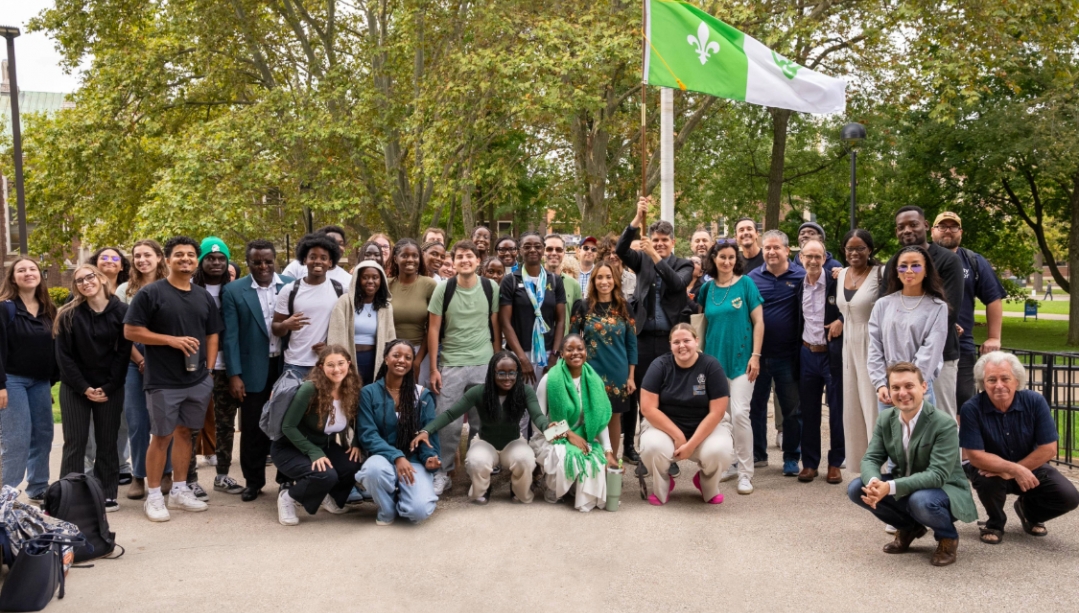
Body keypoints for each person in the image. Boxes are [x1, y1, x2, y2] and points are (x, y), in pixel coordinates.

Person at [124, 236, 223, 522]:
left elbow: (212, 333)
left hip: (197, 380)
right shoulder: (151, 293)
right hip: (163, 381)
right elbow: (131, 331)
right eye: (179, 254)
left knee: (185, 434)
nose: (185, 259)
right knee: (162, 436)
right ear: (167, 260)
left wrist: (209, 371)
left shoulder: (202, 295)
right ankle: (154, 496)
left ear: (196, 261)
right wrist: (171, 341)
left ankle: (179, 490)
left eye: (191, 255)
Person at [847, 362, 976, 567]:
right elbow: (871, 458)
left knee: (920, 500)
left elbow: (937, 475)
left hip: (944, 490)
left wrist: (888, 487)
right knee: (856, 488)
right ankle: (909, 527)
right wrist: (874, 483)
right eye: (895, 388)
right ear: (889, 391)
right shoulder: (886, 418)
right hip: (907, 485)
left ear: (923, 387)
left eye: (909, 386)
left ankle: (947, 537)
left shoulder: (944, 424)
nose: (902, 393)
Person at [960, 352, 1079, 544]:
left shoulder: (1034, 402)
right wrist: (1012, 469)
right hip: (991, 468)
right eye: (991, 379)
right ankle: (995, 523)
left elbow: (1049, 449)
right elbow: (975, 456)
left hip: (1030, 462)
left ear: (1017, 380)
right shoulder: (971, 408)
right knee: (985, 477)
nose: (999, 385)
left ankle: (1029, 512)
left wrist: (1018, 469)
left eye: (1005, 378)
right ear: (983, 383)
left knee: (1069, 496)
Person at [616, 197, 694, 465]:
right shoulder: (641, 262)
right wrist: (637, 219)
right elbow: (620, 249)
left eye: (664, 240)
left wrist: (653, 254)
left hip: (670, 342)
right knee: (635, 391)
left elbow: (676, 286)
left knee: (662, 395)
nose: (660, 243)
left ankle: (660, 446)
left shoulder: (684, 264)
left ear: (673, 242)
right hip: (642, 338)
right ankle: (629, 445)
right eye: (655, 239)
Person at [412, 351, 545, 504]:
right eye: (501, 373)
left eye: (511, 373)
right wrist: (426, 430)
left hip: (513, 442)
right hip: (485, 442)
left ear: (517, 373)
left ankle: (518, 489)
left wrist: (549, 428)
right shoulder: (479, 392)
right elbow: (450, 414)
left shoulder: (525, 391)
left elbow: (537, 416)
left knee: (525, 459)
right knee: (476, 461)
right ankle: (483, 488)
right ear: (492, 373)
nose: (507, 378)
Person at [54, 264, 132, 511]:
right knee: (75, 442)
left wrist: (108, 387)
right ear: (75, 287)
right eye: (79, 280)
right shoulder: (68, 314)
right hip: (75, 387)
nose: (85, 282)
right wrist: (84, 388)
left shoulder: (122, 311)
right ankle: (70, 493)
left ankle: (107, 493)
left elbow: (123, 354)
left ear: (100, 279)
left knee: (107, 441)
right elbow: (64, 357)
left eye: (90, 277)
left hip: (111, 386)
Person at [426, 240, 502, 495]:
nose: (465, 260)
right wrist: (435, 368)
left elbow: (495, 328)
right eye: (459, 257)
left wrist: (496, 361)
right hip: (451, 364)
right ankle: (442, 472)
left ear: (478, 261)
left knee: (483, 423)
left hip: (483, 362)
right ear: (453, 261)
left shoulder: (490, 287)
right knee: (448, 422)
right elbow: (434, 329)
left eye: (469, 256)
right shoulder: (443, 289)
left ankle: (477, 470)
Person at [221, 240, 292, 502]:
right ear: (248, 262)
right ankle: (253, 481)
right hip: (251, 369)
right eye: (257, 262)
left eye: (268, 261)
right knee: (252, 428)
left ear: (276, 260)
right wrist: (234, 374)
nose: (263, 266)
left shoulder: (290, 285)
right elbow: (230, 337)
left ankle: (286, 479)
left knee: (286, 424)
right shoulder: (234, 291)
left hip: (286, 366)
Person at [879, 206, 964, 419]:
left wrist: (919, 363)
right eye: (901, 227)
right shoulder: (893, 263)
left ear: (926, 225)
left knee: (941, 421)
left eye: (913, 224)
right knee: (901, 428)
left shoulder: (948, 260)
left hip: (939, 357)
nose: (907, 230)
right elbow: (883, 309)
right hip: (898, 361)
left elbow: (949, 311)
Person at [639, 324, 735, 506]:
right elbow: (647, 408)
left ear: (696, 341)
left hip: (706, 427)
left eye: (686, 340)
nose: (682, 345)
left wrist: (691, 445)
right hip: (666, 428)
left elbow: (718, 412)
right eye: (676, 342)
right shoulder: (659, 365)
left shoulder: (711, 366)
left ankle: (707, 484)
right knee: (651, 446)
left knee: (720, 450)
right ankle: (662, 487)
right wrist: (678, 435)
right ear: (670, 345)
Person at [698, 239, 763, 495]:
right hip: (714, 363)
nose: (727, 262)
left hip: (743, 361)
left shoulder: (746, 284)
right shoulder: (707, 289)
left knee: (739, 414)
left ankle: (746, 472)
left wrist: (756, 355)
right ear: (713, 259)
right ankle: (728, 463)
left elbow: (759, 322)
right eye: (722, 257)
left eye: (731, 257)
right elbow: (702, 324)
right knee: (720, 418)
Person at [271, 345, 362, 525]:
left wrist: (357, 442)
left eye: (341, 363)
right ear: (321, 367)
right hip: (290, 447)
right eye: (330, 365)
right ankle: (289, 497)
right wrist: (313, 452)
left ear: (349, 364)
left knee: (352, 465)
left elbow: (356, 422)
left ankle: (329, 496)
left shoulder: (351, 389)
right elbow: (288, 427)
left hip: (322, 444)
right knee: (325, 475)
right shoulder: (310, 389)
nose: (336, 369)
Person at [356, 340, 440, 525]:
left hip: (413, 460)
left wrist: (429, 457)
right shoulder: (368, 393)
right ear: (386, 359)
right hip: (383, 459)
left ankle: (403, 495)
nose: (401, 360)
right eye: (396, 355)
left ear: (412, 363)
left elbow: (429, 432)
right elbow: (368, 434)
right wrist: (396, 456)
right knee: (372, 470)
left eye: (407, 357)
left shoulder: (422, 395)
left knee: (418, 512)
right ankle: (387, 510)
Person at [930, 212, 1006, 410]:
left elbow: (993, 298)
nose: (948, 230)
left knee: (964, 402)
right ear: (932, 231)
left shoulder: (973, 261)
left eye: (953, 226)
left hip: (960, 345)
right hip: (922, 342)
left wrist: (993, 337)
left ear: (960, 232)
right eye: (942, 226)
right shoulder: (919, 259)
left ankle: (962, 442)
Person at [532, 335, 617, 511]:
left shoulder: (594, 380)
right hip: (550, 437)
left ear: (586, 351)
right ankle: (553, 489)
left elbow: (599, 421)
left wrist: (608, 451)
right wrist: (568, 434)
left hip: (584, 436)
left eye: (580, 348)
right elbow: (537, 426)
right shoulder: (549, 379)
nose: (575, 353)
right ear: (561, 354)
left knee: (596, 458)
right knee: (566, 455)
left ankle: (578, 492)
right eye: (569, 349)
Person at [117, 239, 173, 500]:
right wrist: (140, 360)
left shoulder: (172, 286)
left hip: (166, 359)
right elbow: (122, 334)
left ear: (160, 257)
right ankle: (139, 476)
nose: (142, 260)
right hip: (132, 359)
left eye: (147, 255)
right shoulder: (123, 291)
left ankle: (165, 472)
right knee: (138, 421)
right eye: (137, 256)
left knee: (165, 420)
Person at [0, 258, 57, 503]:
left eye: (32, 269)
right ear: (13, 278)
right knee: (17, 438)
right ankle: (8, 493)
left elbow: (53, 347)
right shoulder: (5, 308)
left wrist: (52, 380)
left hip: (41, 382)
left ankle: (38, 486)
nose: (28, 273)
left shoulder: (48, 310)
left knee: (44, 434)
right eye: (21, 270)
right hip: (12, 380)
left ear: (40, 275)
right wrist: (0, 385)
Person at [748, 230, 805, 475]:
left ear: (787, 250)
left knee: (792, 410)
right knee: (755, 407)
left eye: (776, 248)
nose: (771, 252)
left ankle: (791, 457)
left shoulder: (801, 276)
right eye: (767, 248)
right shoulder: (751, 278)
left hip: (788, 356)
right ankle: (758, 454)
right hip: (757, 356)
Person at [191, 237, 243, 498]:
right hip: (194, 366)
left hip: (226, 367)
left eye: (221, 258)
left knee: (225, 423)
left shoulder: (234, 291)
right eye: (210, 258)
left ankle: (222, 475)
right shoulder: (189, 289)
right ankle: (188, 478)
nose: (216, 262)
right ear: (201, 261)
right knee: (190, 423)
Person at [868, 245, 949, 412]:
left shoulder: (937, 307)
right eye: (903, 266)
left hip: (919, 388)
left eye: (916, 265)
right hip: (889, 390)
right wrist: (881, 384)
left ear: (926, 270)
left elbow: (931, 350)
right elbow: (875, 347)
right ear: (897, 271)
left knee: (922, 438)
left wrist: (909, 385)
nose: (909, 270)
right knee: (891, 438)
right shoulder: (883, 305)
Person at [570, 262, 637, 458]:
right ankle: (591, 462)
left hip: (618, 372)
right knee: (589, 417)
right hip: (590, 371)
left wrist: (631, 376)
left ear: (615, 281)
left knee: (613, 418)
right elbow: (572, 340)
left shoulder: (625, 307)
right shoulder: (582, 306)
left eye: (608, 277)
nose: (604, 281)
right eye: (599, 277)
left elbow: (632, 344)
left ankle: (612, 464)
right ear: (593, 281)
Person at [795, 240, 845, 484]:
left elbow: (856, 305)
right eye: (809, 256)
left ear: (825, 258)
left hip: (831, 355)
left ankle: (835, 463)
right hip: (807, 353)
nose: (813, 261)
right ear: (801, 258)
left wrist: (842, 320)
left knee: (836, 410)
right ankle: (810, 463)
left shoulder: (838, 282)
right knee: (808, 410)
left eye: (818, 256)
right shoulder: (798, 286)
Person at [84, 246, 133, 484]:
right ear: (95, 263)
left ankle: (121, 462)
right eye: (104, 257)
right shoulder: (83, 290)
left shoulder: (128, 293)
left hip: (122, 364)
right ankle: (88, 464)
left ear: (122, 266)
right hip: (91, 366)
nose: (110, 261)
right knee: (91, 418)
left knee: (122, 416)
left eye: (116, 258)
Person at [837, 230, 884, 474]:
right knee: (852, 408)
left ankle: (881, 468)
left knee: (872, 406)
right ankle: (860, 468)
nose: (854, 253)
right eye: (850, 249)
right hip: (848, 346)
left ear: (870, 250)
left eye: (860, 248)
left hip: (872, 344)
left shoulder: (880, 274)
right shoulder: (841, 274)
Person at [273, 233, 345, 379]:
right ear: (305, 260)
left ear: (330, 263)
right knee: (294, 403)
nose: (317, 261)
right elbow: (276, 327)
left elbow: (346, 328)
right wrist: (286, 325)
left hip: (326, 363)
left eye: (323, 258)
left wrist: (329, 346)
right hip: (294, 363)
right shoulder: (290, 290)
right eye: (313, 257)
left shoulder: (340, 290)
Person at [500, 231, 566, 389]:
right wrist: (522, 359)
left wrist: (554, 356)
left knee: (546, 405)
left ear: (543, 249)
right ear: (520, 250)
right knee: (521, 406)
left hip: (548, 352)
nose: (532, 250)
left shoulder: (555, 281)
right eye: (527, 246)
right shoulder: (510, 281)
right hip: (520, 352)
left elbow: (561, 320)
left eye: (537, 246)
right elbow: (505, 322)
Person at [327, 259, 395, 384]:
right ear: (357, 280)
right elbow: (335, 336)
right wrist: (339, 362)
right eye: (365, 277)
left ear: (382, 281)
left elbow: (389, 340)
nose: (370, 281)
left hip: (374, 360)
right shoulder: (345, 302)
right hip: (349, 358)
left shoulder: (385, 307)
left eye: (375, 277)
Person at [385, 239, 437, 384]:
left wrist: (417, 360)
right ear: (396, 258)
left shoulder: (429, 285)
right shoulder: (386, 285)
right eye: (405, 255)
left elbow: (433, 327)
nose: (410, 260)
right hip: (390, 352)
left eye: (415, 256)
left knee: (417, 397)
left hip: (420, 351)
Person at [282, 226, 353, 286]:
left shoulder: (348, 280)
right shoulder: (296, 267)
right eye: (330, 242)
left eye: (341, 243)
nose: (336, 247)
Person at [544, 234, 582, 330]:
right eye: (549, 249)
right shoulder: (532, 281)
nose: (554, 253)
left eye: (558, 250)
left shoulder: (574, 285)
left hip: (565, 343)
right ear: (542, 252)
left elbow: (576, 322)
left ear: (564, 253)